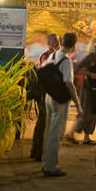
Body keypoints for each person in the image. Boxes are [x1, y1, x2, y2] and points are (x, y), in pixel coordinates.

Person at [42, 32, 79, 177]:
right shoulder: (66, 61)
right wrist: (78, 105)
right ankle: (51, 167)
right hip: (59, 100)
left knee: (48, 131)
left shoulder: (53, 56)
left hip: (48, 97)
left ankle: (46, 163)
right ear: (74, 45)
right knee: (55, 134)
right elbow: (69, 84)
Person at [29, 34, 60, 162]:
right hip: (46, 93)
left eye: (58, 41)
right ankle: (39, 152)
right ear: (50, 43)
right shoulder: (47, 56)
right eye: (56, 42)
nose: (58, 44)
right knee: (44, 122)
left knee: (43, 121)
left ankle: (36, 150)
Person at [74, 43, 96, 144]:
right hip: (89, 90)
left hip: (95, 90)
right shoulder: (91, 57)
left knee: (90, 114)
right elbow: (78, 68)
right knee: (87, 113)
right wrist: (89, 74)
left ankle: (84, 136)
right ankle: (73, 133)